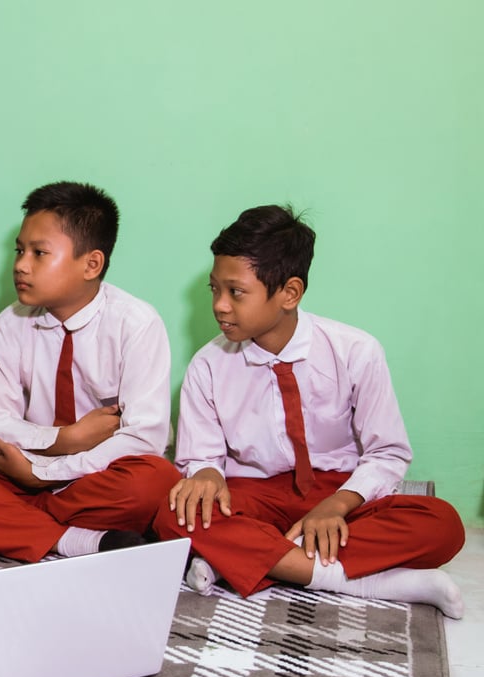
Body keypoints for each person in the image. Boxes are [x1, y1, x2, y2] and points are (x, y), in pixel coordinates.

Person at [152, 205, 465, 616]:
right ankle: (369, 582)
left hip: (341, 493)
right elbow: (202, 459)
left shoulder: (356, 351)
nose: (220, 306)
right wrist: (207, 474)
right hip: (257, 494)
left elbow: (387, 454)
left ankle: (253, 559)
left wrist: (337, 506)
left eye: (236, 292)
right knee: (170, 515)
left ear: (289, 293)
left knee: (442, 523)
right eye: (214, 290)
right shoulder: (207, 365)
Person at [0, 181, 180, 562]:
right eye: (19, 250)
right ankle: (77, 541)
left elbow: (144, 439)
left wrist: (48, 473)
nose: (20, 265)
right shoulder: (11, 324)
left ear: (91, 264)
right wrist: (62, 440)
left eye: (39, 253)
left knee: (154, 484)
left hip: (95, 479)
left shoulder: (136, 324)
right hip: (20, 474)